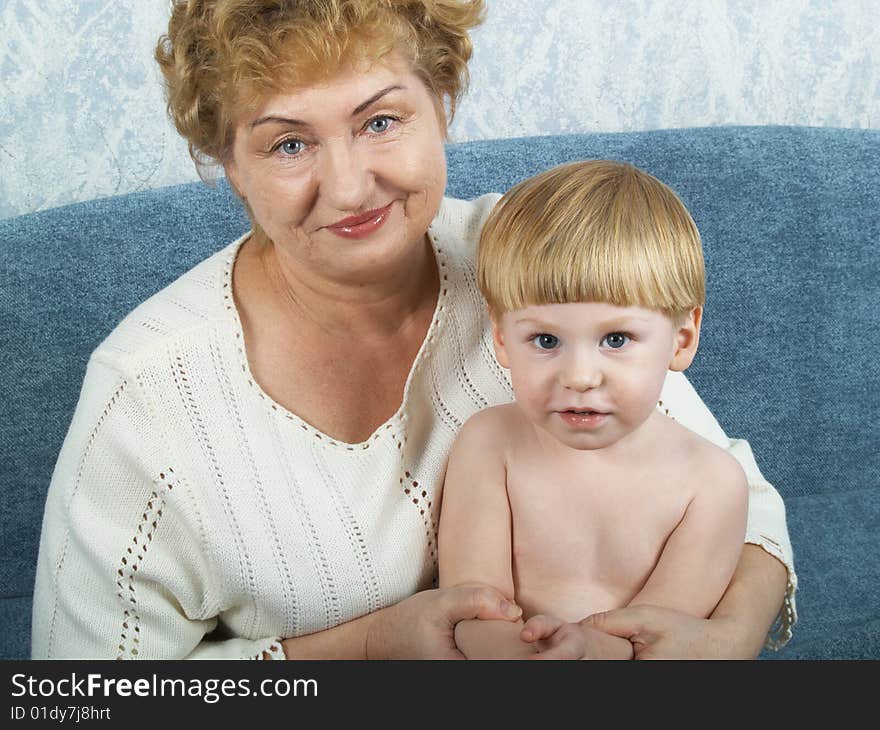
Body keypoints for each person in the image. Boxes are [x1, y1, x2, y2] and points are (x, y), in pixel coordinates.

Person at [31, 0, 795, 660]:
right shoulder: (148, 396)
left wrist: (730, 633)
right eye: (289, 143)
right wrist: (363, 650)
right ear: (230, 163)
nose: (352, 186)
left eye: (381, 121)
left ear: (443, 102)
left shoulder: (530, 265)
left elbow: (733, 494)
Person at [439, 160, 749, 659]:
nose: (580, 376)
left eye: (616, 338)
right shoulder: (489, 443)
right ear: (501, 339)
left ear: (682, 340)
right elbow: (471, 605)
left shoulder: (712, 484)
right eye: (545, 340)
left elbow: (663, 635)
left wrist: (589, 651)